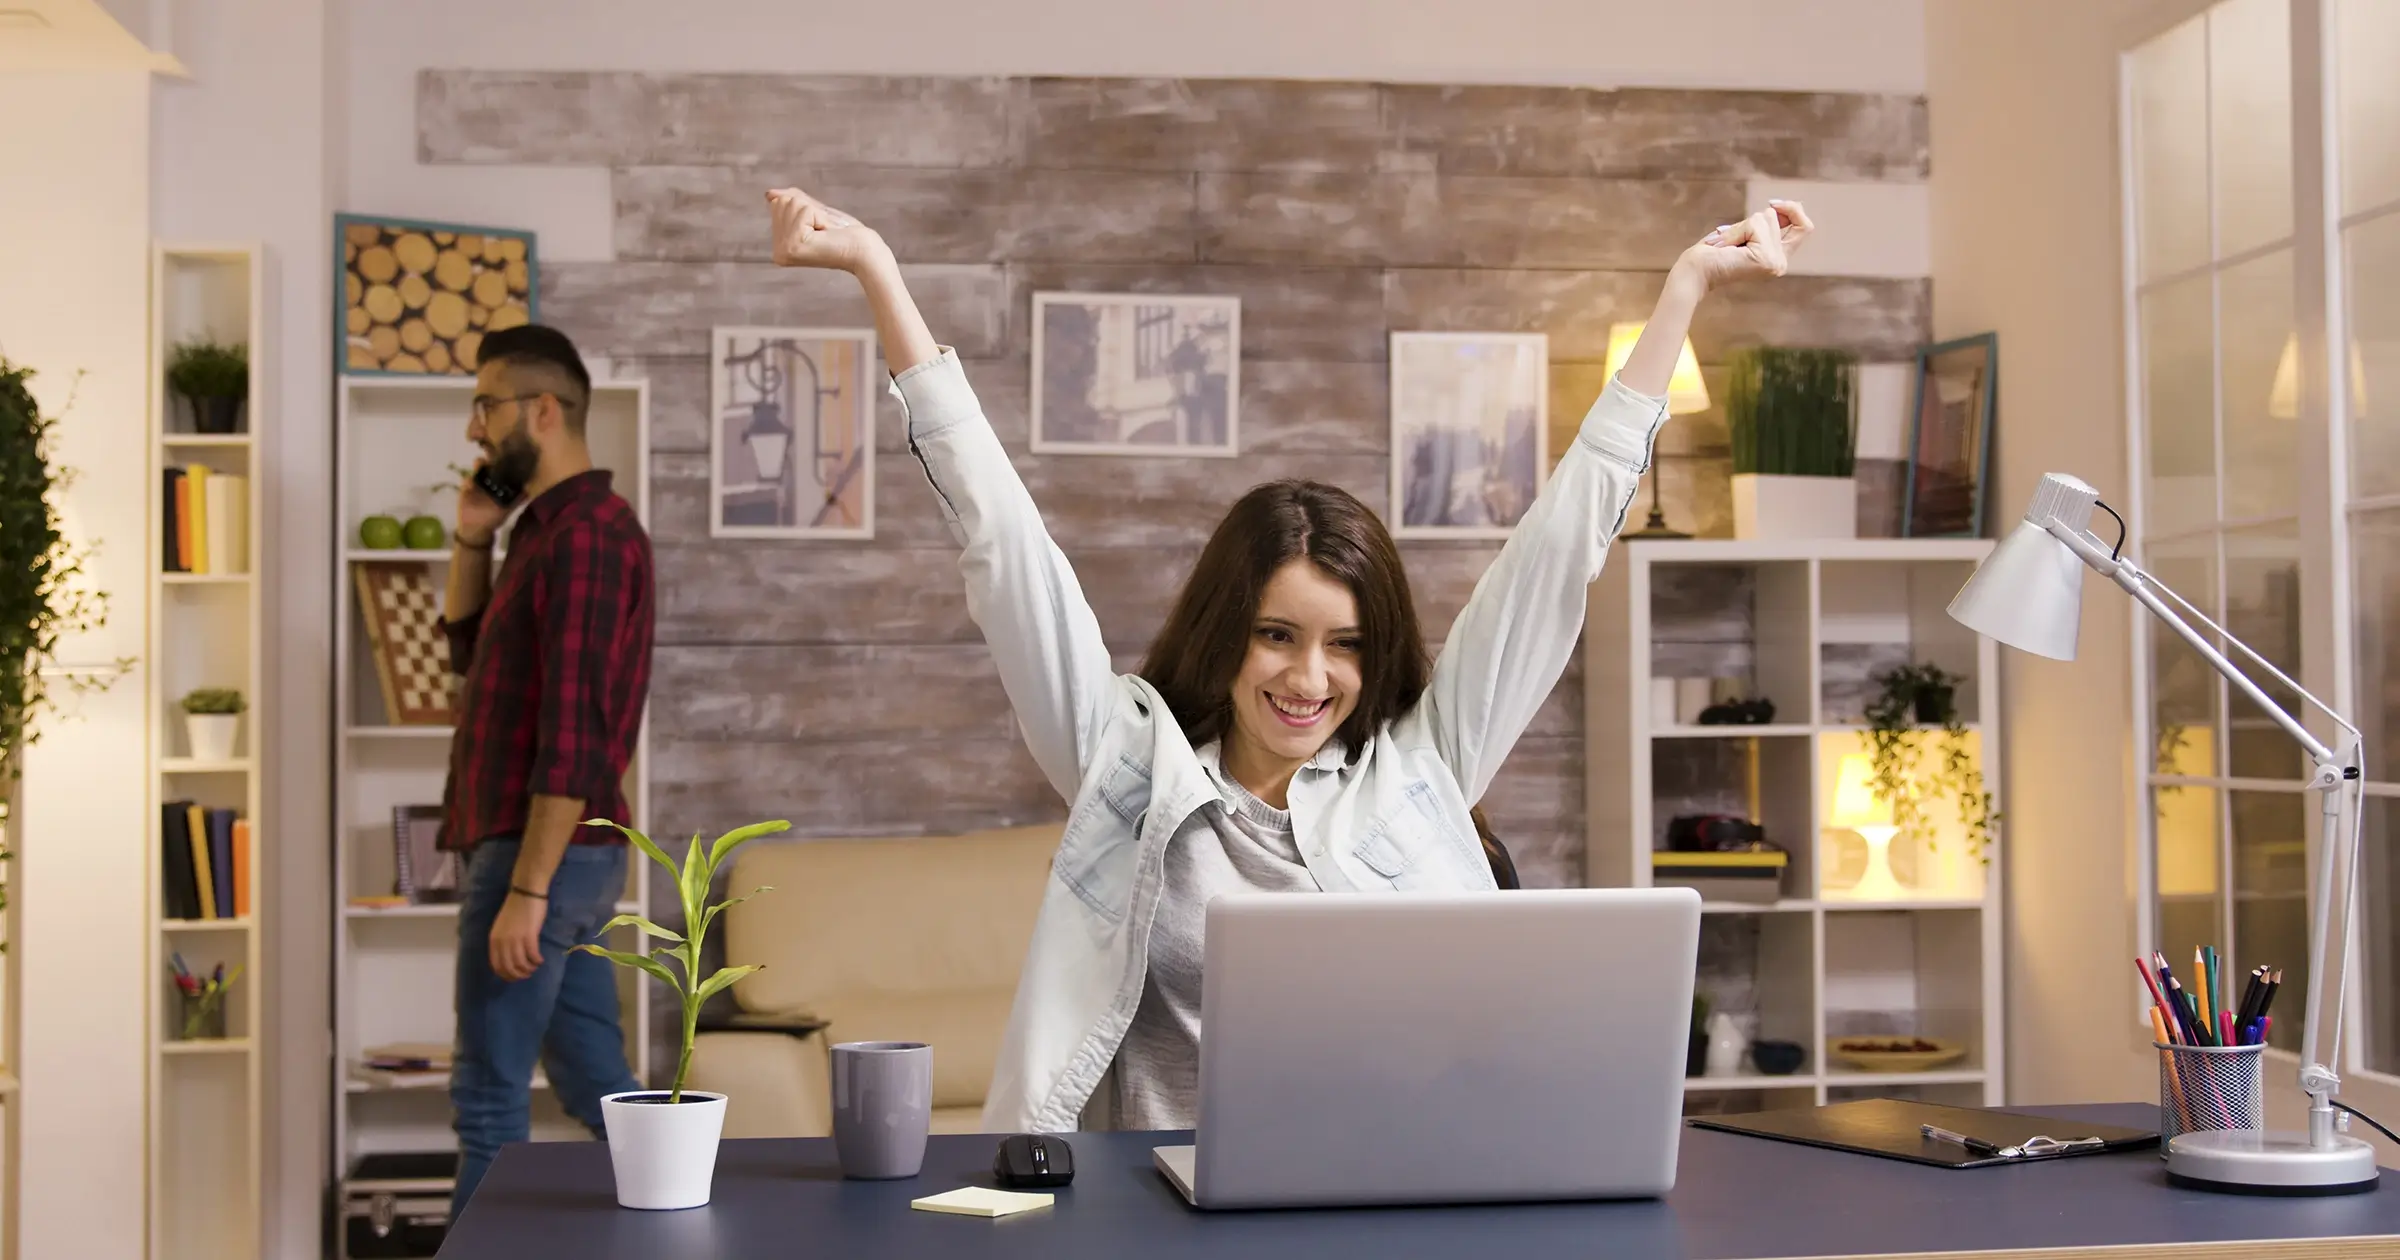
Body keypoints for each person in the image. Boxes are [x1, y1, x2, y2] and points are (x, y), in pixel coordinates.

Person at [763, 184, 1812, 1136]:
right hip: (1155, 1210)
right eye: (1278, 634)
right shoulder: (1125, 765)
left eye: (1347, 646)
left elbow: (1559, 549)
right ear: (1228, 632)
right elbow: (1004, 546)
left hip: (1391, 1194)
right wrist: (877, 271)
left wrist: (1685, 289)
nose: (1310, 679)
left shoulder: (1421, 770)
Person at [437, 323, 654, 1213]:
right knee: (606, 1095)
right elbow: (461, 652)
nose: (474, 430)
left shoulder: (588, 539)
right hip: (556, 853)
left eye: (485, 405)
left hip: (542, 854)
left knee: (489, 1099)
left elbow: (574, 731)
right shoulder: (545, 532)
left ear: (543, 410)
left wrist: (528, 890)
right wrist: (471, 538)